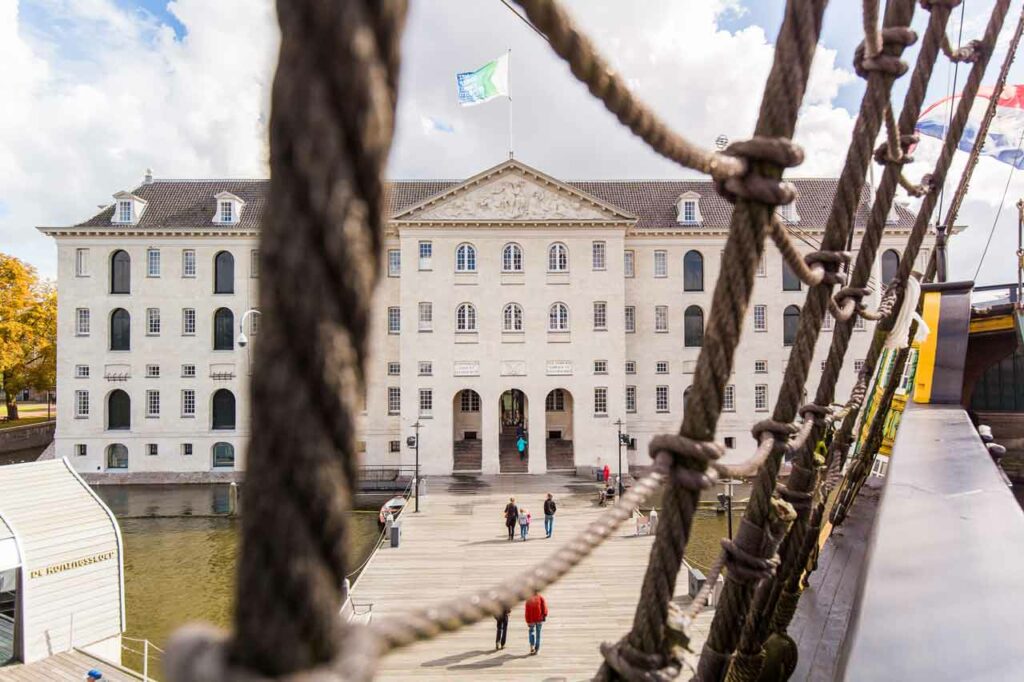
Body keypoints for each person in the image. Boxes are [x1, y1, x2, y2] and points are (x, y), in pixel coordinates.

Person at [524, 590, 548, 655]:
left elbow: (527, 611)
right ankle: (537, 649)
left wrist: (527, 620)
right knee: (538, 634)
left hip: (531, 619)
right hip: (539, 619)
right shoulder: (540, 598)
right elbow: (545, 609)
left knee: (531, 631)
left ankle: (532, 646)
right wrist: (544, 615)